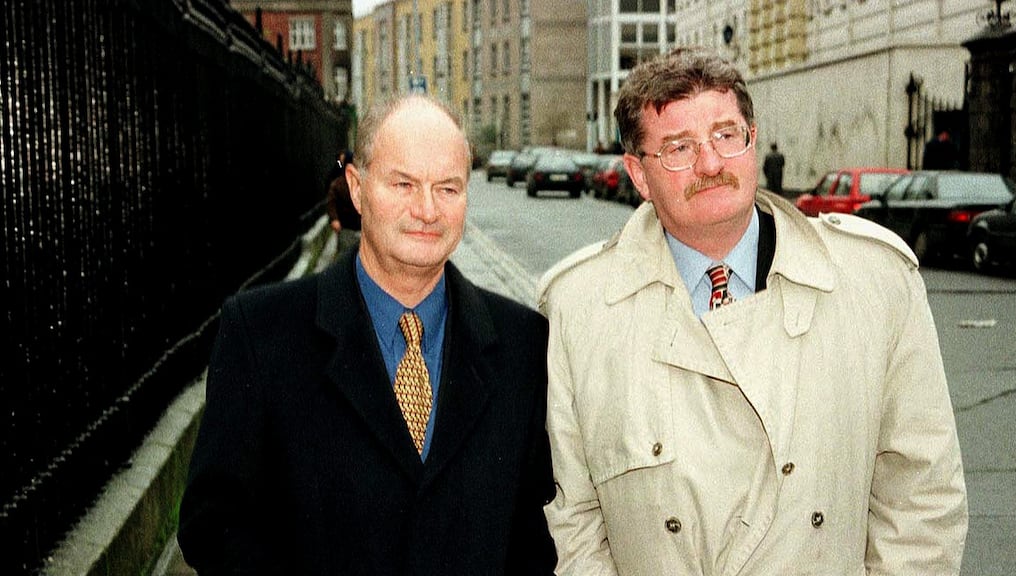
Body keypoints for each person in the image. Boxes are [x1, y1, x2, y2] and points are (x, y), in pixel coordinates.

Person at [538, 47, 967, 574]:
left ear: (753, 141)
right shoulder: (577, 309)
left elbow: (922, 500)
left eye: (726, 135)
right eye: (679, 147)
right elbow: (573, 524)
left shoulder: (874, 282)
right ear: (639, 175)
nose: (711, 164)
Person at [178, 94, 557, 575]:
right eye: (403, 184)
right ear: (357, 189)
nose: (427, 209)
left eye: (447, 188)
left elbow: (531, 538)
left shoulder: (521, 342)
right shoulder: (261, 334)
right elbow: (213, 526)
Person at [325, 149, 361, 253]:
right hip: (346, 227)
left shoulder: (364, 183)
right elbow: (331, 203)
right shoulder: (337, 183)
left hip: (361, 227)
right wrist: (334, 219)